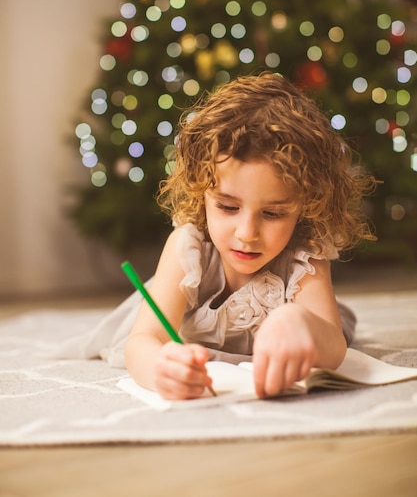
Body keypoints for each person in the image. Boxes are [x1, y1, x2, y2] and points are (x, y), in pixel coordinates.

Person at [124, 72, 377, 400]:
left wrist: (297, 319)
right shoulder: (188, 249)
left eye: (272, 213)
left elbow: (333, 347)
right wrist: (161, 368)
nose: (246, 234)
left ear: (307, 205)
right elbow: (142, 340)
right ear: (202, 192)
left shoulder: (304, 253)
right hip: (162, 304)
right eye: (228, 207)